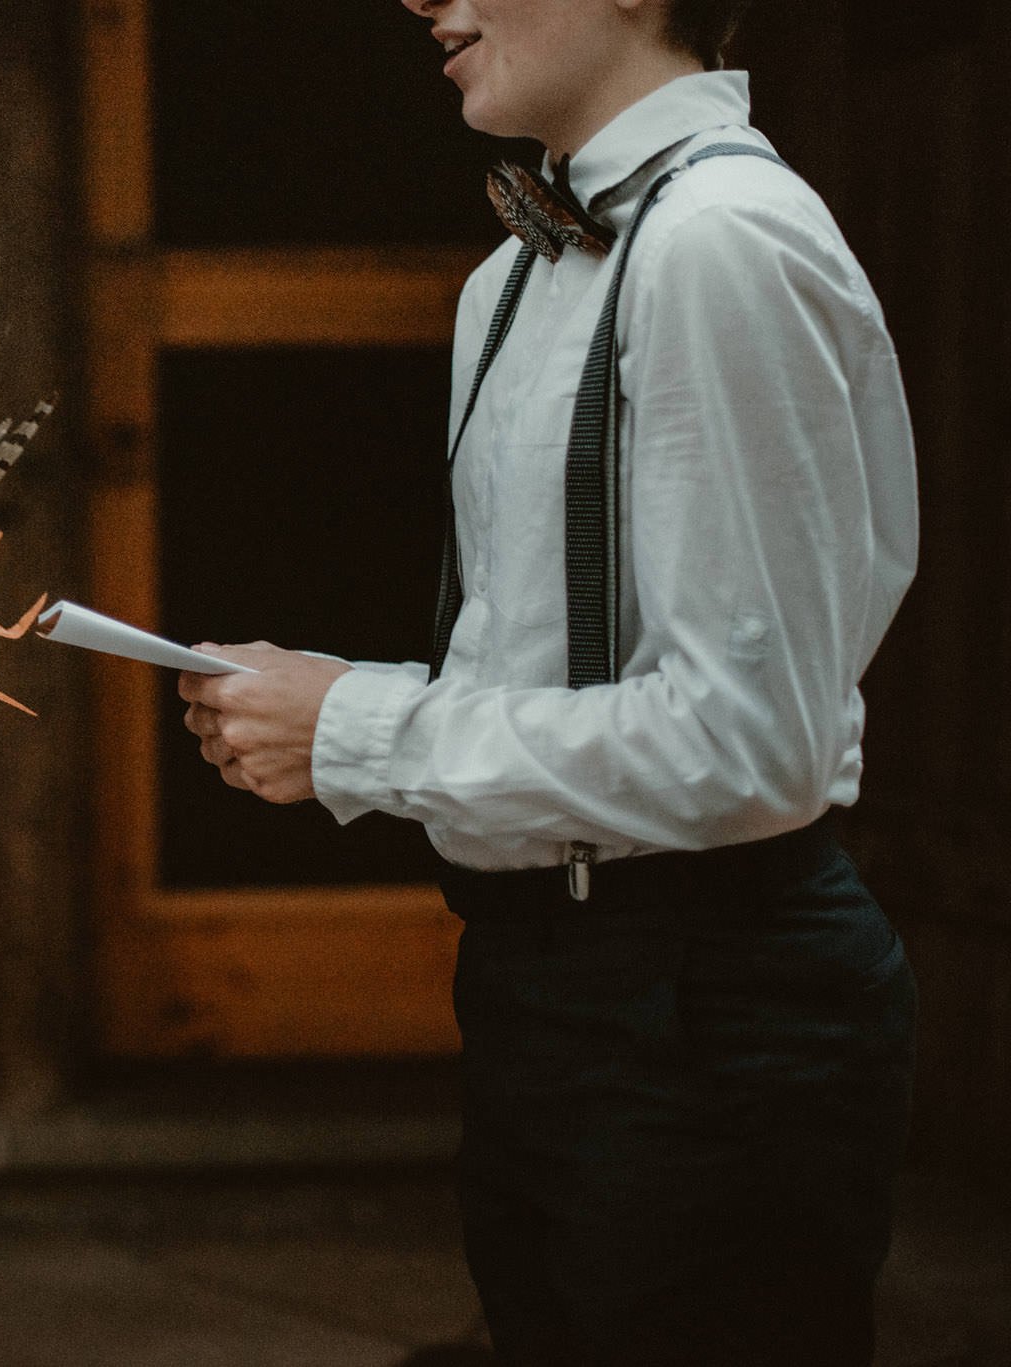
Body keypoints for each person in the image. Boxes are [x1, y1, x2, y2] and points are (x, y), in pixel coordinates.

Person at [179, 1, 917, 1362]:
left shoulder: (717, 244)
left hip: (707, 999)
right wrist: (332, 701)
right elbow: (565, 661)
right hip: (551, 983)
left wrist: (360, 731)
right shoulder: (514, 272)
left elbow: (752, 742)